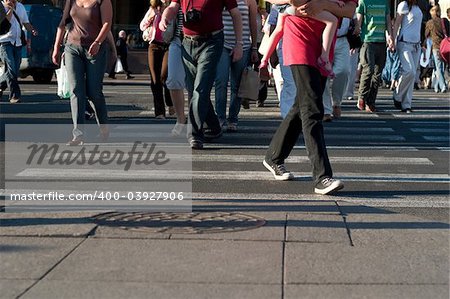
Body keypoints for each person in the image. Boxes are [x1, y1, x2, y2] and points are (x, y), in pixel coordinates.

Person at [259, 0, 357, 195]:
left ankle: (274, 156)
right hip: (298, 38)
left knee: (301, 105)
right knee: (312, 108)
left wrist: (323, 5)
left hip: (323, 45)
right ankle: (322, 177)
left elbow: (350, 10)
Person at [160, 0, 243, 149]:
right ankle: (214, 127)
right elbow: (173, 6)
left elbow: (236, 14)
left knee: (200, 89)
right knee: (195, 90)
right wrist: (165, 17)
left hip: (212, 41)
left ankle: (195, 135)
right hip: (187, 42)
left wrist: (239, 44)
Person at [52, 0, 113, 145]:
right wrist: (56, 48)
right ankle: (78, 135)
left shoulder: (103, 1)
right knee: (76, 90)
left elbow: (107, 24)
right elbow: (62, 23)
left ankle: (104, 128)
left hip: (95, 50)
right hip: (72, 48)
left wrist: (98, 42)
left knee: (94, 92)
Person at [214, 0, 258, 132]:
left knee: (237, 85)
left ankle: (233, 118)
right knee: (221, 81)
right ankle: (220, 118)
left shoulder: (250, 1)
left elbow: (253, 24)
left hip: (243, 45)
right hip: (222, 44)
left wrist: (254, 47)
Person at [354, 0, 393, 113]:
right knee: (368, 69)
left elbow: (388, 21)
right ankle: (362, 97)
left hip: (381, 42)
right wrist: (355, 39)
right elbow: (359, 22)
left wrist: (390, 37)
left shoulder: (385, 2)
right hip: (367, 41)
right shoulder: (363, 2)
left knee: (377, 74)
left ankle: (371, 102)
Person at [140, 0, 174, 119]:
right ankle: (160, 112)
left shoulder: (173, 7)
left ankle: (170, 102)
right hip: (154, 45)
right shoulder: (153, 9)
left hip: (169, 46)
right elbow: (142, 26)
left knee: (164, 76)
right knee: (155, 80)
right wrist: (151, 16)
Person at [0, 0, 37, 103]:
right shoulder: (1, 6)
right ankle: (14, 95)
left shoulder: (20, 6)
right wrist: (10, 10)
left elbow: (25, 22)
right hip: (5, 42)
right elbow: (2, 25)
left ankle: (0, 85)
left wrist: (32, 29)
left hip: (18, 42)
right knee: (11, 68)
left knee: (14, 70)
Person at [392, 0, 423, 113]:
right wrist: (392, 40)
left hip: (416, 44)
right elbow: (396, 24)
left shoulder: (418, 6)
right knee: (409, 71)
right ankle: (397, 95)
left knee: (412, 75)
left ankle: (406, 104)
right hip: (404, 43)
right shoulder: (403, 5)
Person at [322, 17, 351, 121]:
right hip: (324, 38)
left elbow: (353, 13)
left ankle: (337, 102)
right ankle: (326, 110)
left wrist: (356, 24)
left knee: (343, 70)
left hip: (342, 39)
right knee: (323, 73)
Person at [166, 4, 187, 136]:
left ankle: (197, 122)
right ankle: (180, 119)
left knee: (196, 85)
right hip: (177, 40)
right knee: (173, 80)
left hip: (202, 41)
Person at [424, 5, 449, 93]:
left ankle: (443, 86)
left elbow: (426, 35)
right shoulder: (444, 21)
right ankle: (436, 86)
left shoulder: (430, 23)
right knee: (441, 67)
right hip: (445, 47)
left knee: (438, 67)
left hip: (436, 47)